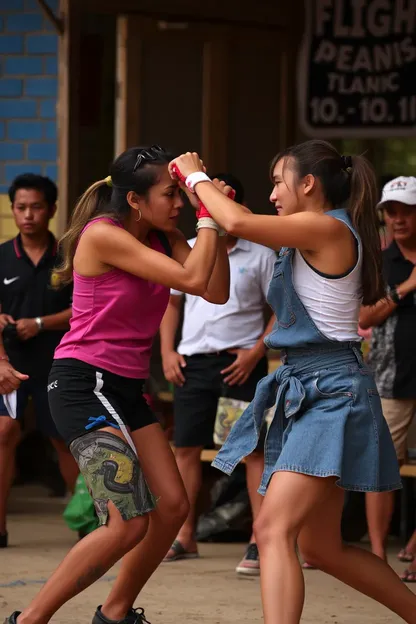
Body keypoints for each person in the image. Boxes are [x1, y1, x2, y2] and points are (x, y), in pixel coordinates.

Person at [167, 143, 416, 623]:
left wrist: (194, 177)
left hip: (331, 390)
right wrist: (209, 206)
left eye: (280, 182)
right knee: (321, 549)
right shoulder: (306, 233)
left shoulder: (324, 226)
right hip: (314, 386)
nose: (273, 192)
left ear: (308, 184)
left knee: (274, 529)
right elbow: (234, 223)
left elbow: (239, 222)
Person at [3, 145, 232, 624]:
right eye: (171, 194)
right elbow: (193, 279)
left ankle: (115, 612)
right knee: (128, 521)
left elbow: (215, 289)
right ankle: (28, 621)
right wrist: (207, 209)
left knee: (172, 507)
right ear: (134, 200)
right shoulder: (102, 235)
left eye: (179, 194)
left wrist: (210, 227)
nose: (177, 203)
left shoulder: (159, 237)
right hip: (83, 384)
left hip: (124, 388)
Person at [160, 172, 276, 575]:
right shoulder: (189, 248)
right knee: (186, 449)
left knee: (250, 451)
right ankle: (184, 535)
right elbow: (172, 305)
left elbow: (280, 309)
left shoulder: (261, 254)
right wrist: (167, 351)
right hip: (193, 363)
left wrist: (256, 352)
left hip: (239, 366)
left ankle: (259, 541)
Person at [0, 173, 76, 549]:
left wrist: (42, 323)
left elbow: (84, 309)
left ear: (51, 210)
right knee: (3, 435)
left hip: (57, 361)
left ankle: (89, 523)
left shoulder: (69, 256)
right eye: (20, 207)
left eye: (36, 207)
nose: (27, 215)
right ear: (13, 210)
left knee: (63, 439)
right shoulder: (1, 256)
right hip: (7, 363)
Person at [359, 176, 416, 577]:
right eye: (391, 212)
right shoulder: (380, 260)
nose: (398, 219)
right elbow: (364, 316)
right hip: (392, 378)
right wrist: (408, 286)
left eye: (407, 211)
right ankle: (378, 555)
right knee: (382, 466)